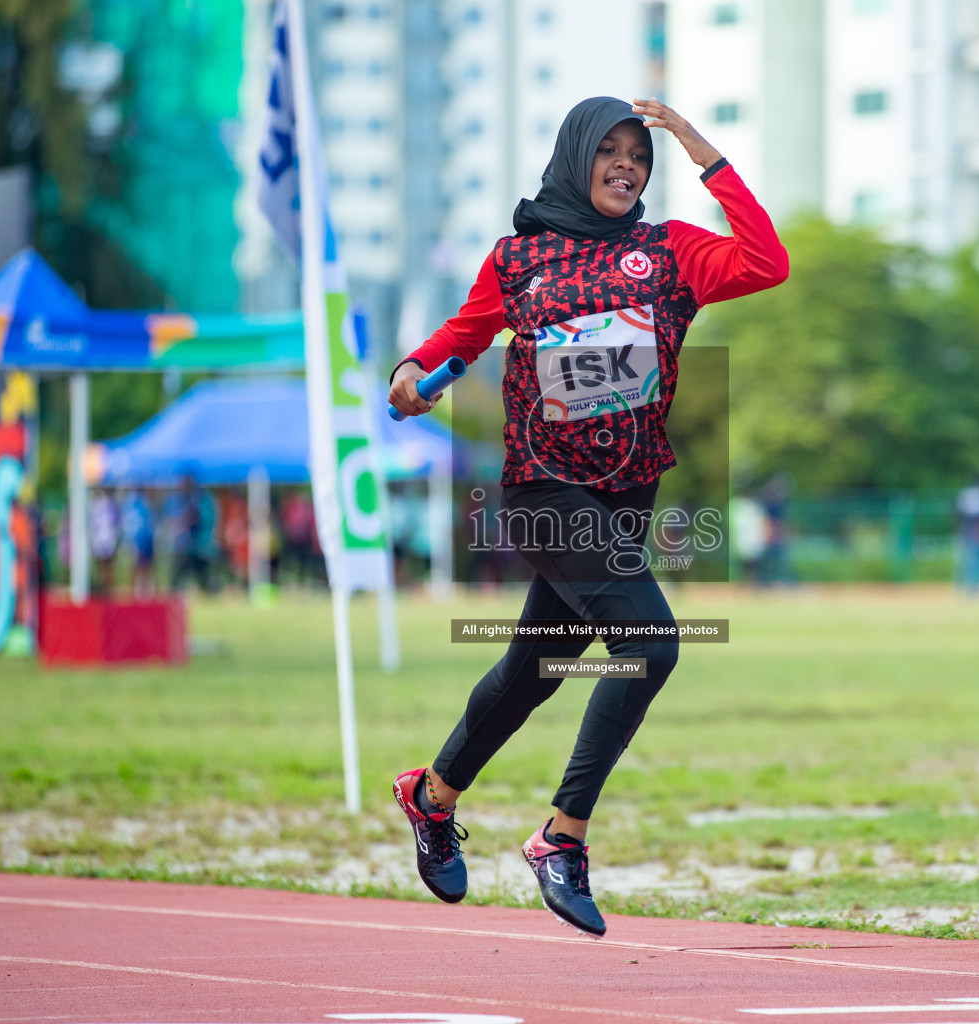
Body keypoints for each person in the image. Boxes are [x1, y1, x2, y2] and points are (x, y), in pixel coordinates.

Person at [386, 96, 787, 937]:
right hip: (541, 492)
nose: (626, 164)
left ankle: (431, 796)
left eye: (639, 153)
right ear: (576, 156)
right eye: (608, 149)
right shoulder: (519, 258)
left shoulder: (670, 250)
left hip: (623, 498)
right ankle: (562, 838)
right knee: (651, 644)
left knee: (538, 668)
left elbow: (766, 261)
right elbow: (466, 337)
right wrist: (415, 369)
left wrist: (698, 145)